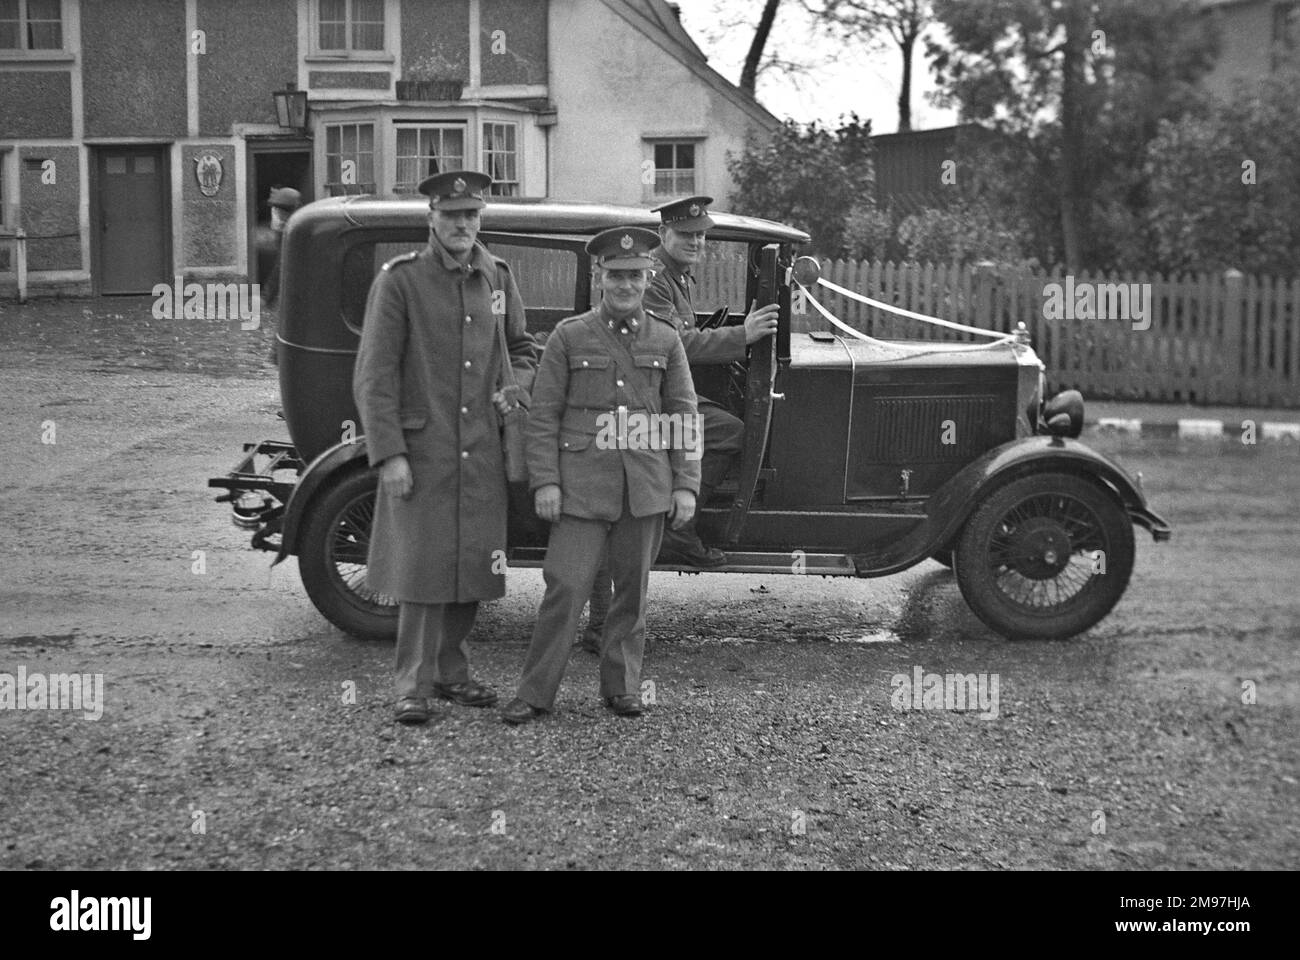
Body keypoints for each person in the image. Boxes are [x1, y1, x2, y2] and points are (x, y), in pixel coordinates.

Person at [353, 170, 538, 725]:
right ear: (430, 217)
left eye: (472, 215)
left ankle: (452, 673)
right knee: (421, 569)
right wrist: (389, 453)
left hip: (482, 446)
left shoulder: (497, 277)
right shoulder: (401, 281)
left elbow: (523, 348)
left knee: (471, 563)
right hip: (423, 446)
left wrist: (517, 386)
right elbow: (375, 374)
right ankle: (412, 683)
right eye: (452, 214)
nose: (463, 224)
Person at [500, 227, 701, 724]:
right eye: (616, 275)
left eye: (635, 275)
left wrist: (685, 484)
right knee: (565, 587)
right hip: (581, 488)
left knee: (631, 593)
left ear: (648, 275)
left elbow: (684, 414)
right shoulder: (570, 336)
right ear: (600, 276)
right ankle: (535, 691)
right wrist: (544, 481)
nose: (626, 285)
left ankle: (622, 687)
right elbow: (543, 416)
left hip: (644, 489)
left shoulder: (666, 338)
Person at [575, 196, 779, 654]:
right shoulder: (651, 281)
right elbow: (675, 342)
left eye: (701, 235)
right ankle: (677, 533)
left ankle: (612, 630)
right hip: (640, 408)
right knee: (726, 433)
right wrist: (741, 336)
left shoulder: (673, 277)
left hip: (657, 395)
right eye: (686, 235)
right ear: (664, 234)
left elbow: (676, 336)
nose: (696, 242)